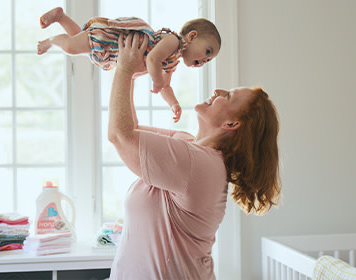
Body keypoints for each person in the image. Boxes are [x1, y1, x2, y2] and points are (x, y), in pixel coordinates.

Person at [106, 32, 281, 279]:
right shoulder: (188, 144)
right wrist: (136, 70)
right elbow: (130, 128)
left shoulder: (199, 165)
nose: (218, 90)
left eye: (228, 96)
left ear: (231, 123)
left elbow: (119, 135)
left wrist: (123, 68)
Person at [38, 7, 221, 122]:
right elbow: (152, 59)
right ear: (192, 36)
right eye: (207, 52)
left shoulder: (173, 61)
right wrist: (156, 81)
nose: (204, 61)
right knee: (71, 46)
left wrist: (173, 103)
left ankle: (61, 17)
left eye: (209, 60)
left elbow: (165, 86)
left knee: (80, 42)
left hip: (113, 52)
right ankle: (52, 41)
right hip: (113, 39)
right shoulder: (173, 41)